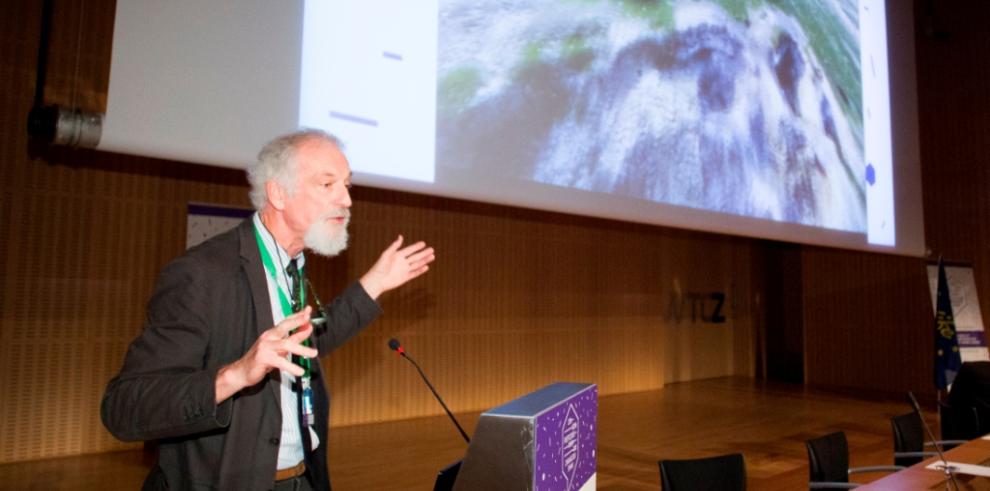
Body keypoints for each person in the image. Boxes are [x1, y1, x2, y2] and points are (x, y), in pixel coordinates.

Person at [101, 130, 435, 490]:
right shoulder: (201, 274)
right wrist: (235, 375)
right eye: (327, 184)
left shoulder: (292, 266)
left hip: (301, 479)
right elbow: (123, 408)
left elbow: (307, 345)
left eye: (347, 184)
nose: (346, 199)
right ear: (278, 193)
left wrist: (374, 284)